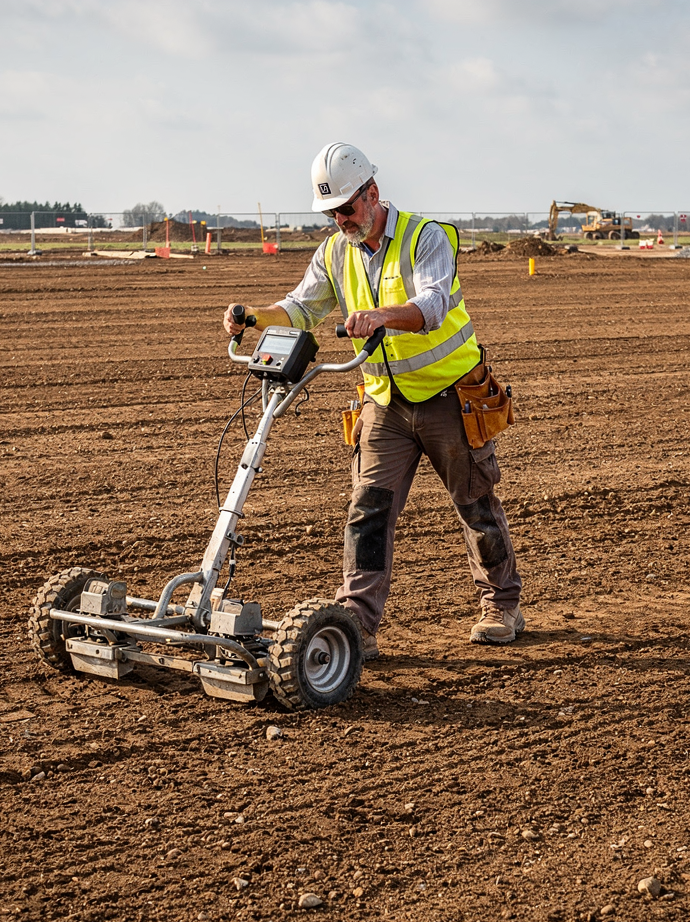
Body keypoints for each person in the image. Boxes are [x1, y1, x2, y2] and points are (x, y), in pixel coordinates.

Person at [221, 142, 523, 658]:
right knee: (368, 511)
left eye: (346, 208)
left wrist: (382, 316)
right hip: (384, 402)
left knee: (475, 504)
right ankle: (357, 624)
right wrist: (254, 317)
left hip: (451, 397)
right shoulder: (334, 252)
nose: (340, 220)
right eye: (331, 213)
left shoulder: (426, 238)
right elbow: (301, 308)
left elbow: (433, 303)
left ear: (373, 193)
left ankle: (502, 605)